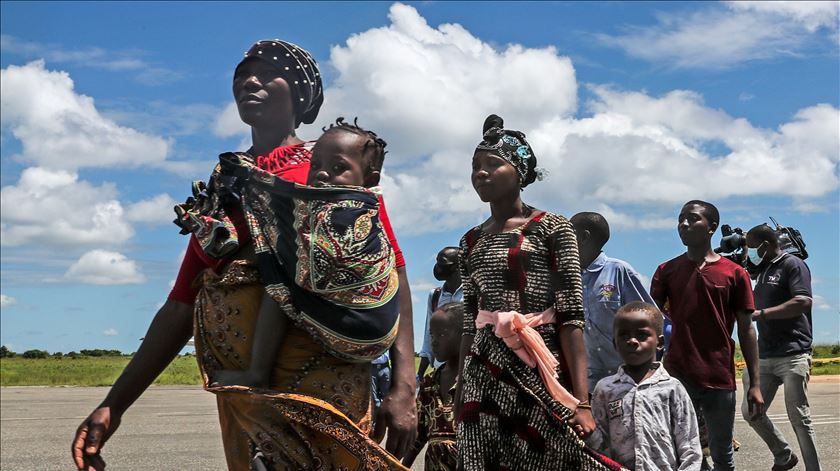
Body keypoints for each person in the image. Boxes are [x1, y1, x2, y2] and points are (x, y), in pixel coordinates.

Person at [71, 40, 417, 471]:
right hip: (247, 401)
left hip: (323, 385)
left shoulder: (332, 172)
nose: (249, 80)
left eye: (269, 72)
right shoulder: (224, 187)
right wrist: (114, 405)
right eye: (241, 74)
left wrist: (404, 386)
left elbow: (390, 276)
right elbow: (180, 306)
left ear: (300, 93)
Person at [454, 114, 626, 471]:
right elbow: (470, 322)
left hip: (538, 364)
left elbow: (571, 316)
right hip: (483, 370)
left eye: (492, 164)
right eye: (475, 166)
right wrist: (460, 389)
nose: (480, 173)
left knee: (551, 457)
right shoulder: (470, 241)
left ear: (519, 173)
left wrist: (581, 401)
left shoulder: (552, 228)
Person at [210, 117, 394, 389]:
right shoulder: (370, 210)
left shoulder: (344, 211)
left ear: (369, 179)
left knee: (281, 273)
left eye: (338, 168)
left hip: (356, 327)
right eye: (315, 165)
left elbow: (280, 208)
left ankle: (256, 373)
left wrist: (252, 179)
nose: (321, 173)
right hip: (380, 332)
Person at [650, 200, 764, 471]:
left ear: (712, 227)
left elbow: (747, 328)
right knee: (683, 451)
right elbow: (653, 320)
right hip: (678, 375)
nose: (684, 225)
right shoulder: (667, 271)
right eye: (681, 219)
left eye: (692, 219)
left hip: (719, 376)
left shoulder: (734, 273)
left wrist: (755, 384)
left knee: (723, 454)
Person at [741, 224, 821, 471]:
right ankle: (784, 454)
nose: (751, 252)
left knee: (799, 418)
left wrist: (761, 314)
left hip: (793, 353)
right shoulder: (762, 269)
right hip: (765, 354)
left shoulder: (792, 265)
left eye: (753, 248)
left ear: (765, 246)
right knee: (751, 412)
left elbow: (802, 301)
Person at [588, 301, 702, 471]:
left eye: (642, 335)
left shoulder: (672, 388)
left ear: (660, 342)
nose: (632, 341)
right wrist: (586, 432)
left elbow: (689, 444)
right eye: (624, 335)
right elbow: (598, 442)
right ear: (614, 343)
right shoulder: (605, 389)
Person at [570, 212, 658, 393]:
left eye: (569, 234)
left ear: (584, 237)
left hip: (626, 380)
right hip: (586, 384)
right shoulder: (568, 277)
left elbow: (650, 318)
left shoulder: (618, 271)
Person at [403, 302, 463, 471]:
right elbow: (418, 437)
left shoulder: (475, 382)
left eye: (442, 334)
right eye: (432, 335)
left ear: (464, 334)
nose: (434, 342)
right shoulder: (429, 383)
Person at [417, 247, 463, 380]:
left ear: (457, 266)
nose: (438, 267)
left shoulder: (472, 294)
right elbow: (429, 335)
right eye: (437, 262)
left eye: (442, 262)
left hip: (465, 370)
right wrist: (419, 375)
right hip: (441, 370)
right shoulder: (435, 296)